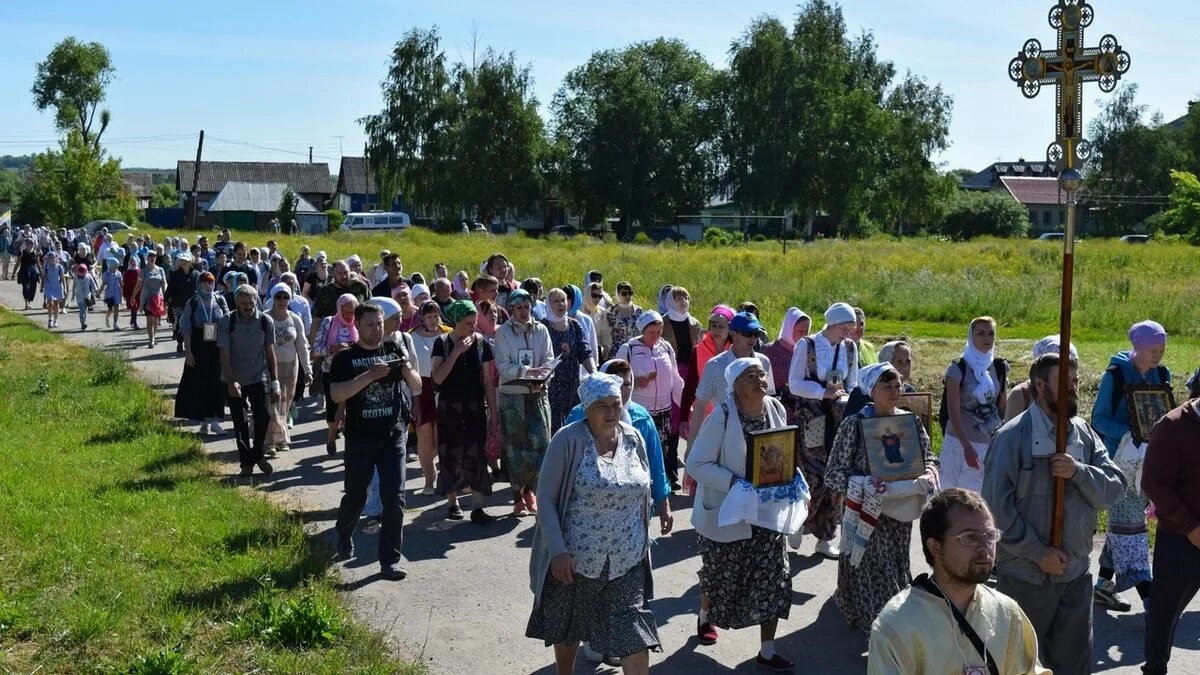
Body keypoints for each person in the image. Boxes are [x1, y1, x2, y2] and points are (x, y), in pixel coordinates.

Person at [982, 352, 1126, 675]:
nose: (1074, 389)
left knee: (1074, 666)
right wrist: (1038, 553)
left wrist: (1078, 472)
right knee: (1018, 665)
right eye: (1066, 383)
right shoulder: (1010, 438)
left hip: (1075, 577)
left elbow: (1115, 486)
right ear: (1040, 386)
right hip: (1024, 578)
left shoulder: (1083, 435)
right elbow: (994, 512)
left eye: (1075, 382)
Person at [526, 373, 660, 675]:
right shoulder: (568, 440)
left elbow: (644, 490)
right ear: (587, 408)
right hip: (576, 558)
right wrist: (558, 551)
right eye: (602, 406)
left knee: (634, 636)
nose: (612, 412)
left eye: (616, 403)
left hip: (627, 559)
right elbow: (545, 498)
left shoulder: (633, 438)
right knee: (570, 626)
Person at [686, 357, 806, 671]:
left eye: (761, 373)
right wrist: (735, 484)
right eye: (750, 375)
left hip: (767, 513)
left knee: (774, 580)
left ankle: (767, 650)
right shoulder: (723, 416)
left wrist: (789, 476)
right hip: (728, 513)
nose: (759, 379)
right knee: (719, 576)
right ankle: (704, 615)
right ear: (735, 385)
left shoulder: (776, 409)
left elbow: (782, 450)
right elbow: (696, 464)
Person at [868, 488, 1049, 675]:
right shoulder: (896, 625)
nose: (984, 548)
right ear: (935, 547)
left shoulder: (1007, 612)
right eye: (970, 537)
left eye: (990, 536)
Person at [826, 363, 937, 634]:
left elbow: (929, 457)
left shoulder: (909, 422)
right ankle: (879, 631)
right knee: (870, 570)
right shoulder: (855, 424)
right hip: (867, 514)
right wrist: (864, 484)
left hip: (900, 512)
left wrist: (931, 472)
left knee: (895, 566)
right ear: (871, 390)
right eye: (887, 385)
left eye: (898, 385)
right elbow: (833, 473)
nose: (895, 390)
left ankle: (890, 626)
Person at [328, 303, 421, 581]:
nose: (376, 329)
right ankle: (344, 532)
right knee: (356, 495)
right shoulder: (346, 358)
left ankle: (389, 561)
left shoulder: (393, 350)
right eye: (370, 324)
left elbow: (416, 386)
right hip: (360, 439)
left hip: (392, 435)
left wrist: (405, 368)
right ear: (357, 325)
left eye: (379, 324)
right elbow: (337, 395)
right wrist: (369, 376)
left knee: (395, 498)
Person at [1089, 320, 1170, 614]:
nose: (1158, 356)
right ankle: (1152, 603)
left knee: (1122, 527)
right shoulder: (1115, 374)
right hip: (1119, 464)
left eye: (1162, 350)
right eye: (1152, 350)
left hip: (1148, 464)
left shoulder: (1162, 374)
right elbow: (1098, 419)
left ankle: (1102, 589)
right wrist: (1130, 434)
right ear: (1137, 347)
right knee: (1131, 528)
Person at [786, 301, 860, 558]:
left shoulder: (850, 348)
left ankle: (826, 536)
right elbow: (794, 384)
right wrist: (822, 392)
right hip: (812, 416)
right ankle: (798, 521)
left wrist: (846, 398)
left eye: (850, 328)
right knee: (811, 473)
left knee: (836, 476)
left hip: (838, 417)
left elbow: (853, 383)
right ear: (832, 323)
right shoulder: (806, 345)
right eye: (844, 327)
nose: (848, 333)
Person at [1141, 398, 1200, 675]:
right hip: (1181, 541)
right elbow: (1153, 483)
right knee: (1163, 616)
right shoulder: (1173, 426)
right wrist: (1190, 527)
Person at [431, 300, 498, 523]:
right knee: (450, 453)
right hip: (449, 407)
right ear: (457, 322)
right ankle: (453, 502)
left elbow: (488, 381)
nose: (473, 327)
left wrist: (493, 412)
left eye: (475, 322)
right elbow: (437, 378)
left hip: (474, 407)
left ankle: (477, 507)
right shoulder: (442, 343)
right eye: (468, 323)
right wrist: (457, 351)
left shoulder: (481, 344)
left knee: (476, 454)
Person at [494, 289, 555, 515]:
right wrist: (527, 373)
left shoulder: (541, 329)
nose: (523, 311)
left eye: (526, 307)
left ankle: (531, 490)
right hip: (513, 396)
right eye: (518, 308)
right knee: (516, 447)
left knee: (541, 443)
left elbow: (549, 359)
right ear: (511, 309)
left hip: (538, 394)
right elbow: (502, 366)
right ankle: (517, 495)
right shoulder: (503, 332)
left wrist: (543, 376)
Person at [615, 311, 684, 491]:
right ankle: (638, 486)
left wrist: (684, 406)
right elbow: (614, 377)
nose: (655, 336)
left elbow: (675, 378)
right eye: (651, 332)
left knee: (660, 452)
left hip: (664, 410)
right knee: (638, 450)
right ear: (642, 330)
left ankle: (659, 489)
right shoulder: (629, 348)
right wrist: (636, 382)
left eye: (658, 332)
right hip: (639, 410)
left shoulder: (666, 348)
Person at [218, 285, 281, 477]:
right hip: (234, 378)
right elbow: (224, 354)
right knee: (240, 422)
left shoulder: (264, 321)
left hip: (258, 376)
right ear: (236, 302)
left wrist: (275, 382)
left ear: (256, 301)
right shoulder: (227, 321)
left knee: (263, 416)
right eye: (243, 303)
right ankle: (246, 463)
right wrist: (230, 381)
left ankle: (257, 453)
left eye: (251, 303)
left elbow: (270, 353)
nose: (248, 307)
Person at [941, 317, 1008, 492]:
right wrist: (966, 447)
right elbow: (953, 411)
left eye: (991, 333)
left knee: (978, 494)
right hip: (958, 441)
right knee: (951, 493)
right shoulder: (958, 367)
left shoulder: (999, 367)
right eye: (980, 333)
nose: (987, 338)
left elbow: (1002, 407)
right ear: (971, 336)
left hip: (986, 441)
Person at [689, 312, 775, 434]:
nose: (753, 338)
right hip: (725, 433)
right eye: (747, 333)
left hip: (758, 433)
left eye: (756, 333)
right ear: (734, 334)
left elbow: (769, 398)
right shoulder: (715, 365)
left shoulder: (764, 362)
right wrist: (692, 446)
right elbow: (700, 405)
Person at [176, 272, 230, 435]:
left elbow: (227, 321)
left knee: (217, 382)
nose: (208, 286)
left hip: (217, 345)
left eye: (211, 283)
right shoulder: (192, 303)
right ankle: (203, 421)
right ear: (199, 284)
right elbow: (187, 329)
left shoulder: (219, 300)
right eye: (205, 283)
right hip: (199, 346)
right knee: (200, 382)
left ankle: (215, 420)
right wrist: (188, 352)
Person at [410, 300, 452, 495]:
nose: (433, 320)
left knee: (441, 436)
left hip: (443, 386)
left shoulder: (448, 334)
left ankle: (444, 473)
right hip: (421, 388)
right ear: (422, 318)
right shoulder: (411, 336)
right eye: (428, 316)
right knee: (424, 435)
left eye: (436, 315)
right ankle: (429, 478)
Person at [264, 284, 311, 455]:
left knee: (285, 403)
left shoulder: (295, 319)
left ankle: (280, 439)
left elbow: (302, 345)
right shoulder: (265, 318)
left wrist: (308, 370)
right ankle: (269, 441)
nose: (282, 300)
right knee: (272, 403)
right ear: (273, 298)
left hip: (291, 365)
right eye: (279, 297)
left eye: (286, 297)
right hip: (270, 366)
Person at [541, 288, 596, 432]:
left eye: (563, 300)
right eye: (556, 301)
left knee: (573, 425)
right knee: (552, 426)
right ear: (548, 304)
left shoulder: (575, 325)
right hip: (551, 385)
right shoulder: (542, 326)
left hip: (572, 384)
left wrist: (594, 374)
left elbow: (585, 352)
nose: (561, 304)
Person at [679, 305, 733, 444]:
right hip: (704, 417)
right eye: (713, 325)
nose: (716, 330)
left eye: (721, 326)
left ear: (730, 328)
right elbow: (690, 386)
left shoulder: (737, 351)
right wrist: (684, 418)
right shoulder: (698, 350)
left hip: (732, 418)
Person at [313, 294, 359, 455]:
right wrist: (333, 349)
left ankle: (351, 447)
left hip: (354, 373)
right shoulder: (329, 322)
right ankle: (332, 435)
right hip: (331, 372)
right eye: (345, 312)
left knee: (353, 410)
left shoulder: (360, 323)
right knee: (333, 409)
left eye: (352, 312)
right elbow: (316, 349)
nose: (348, 316)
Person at [133, 251, 168, 348]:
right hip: (147, 298)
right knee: (149, 319)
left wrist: (166, 296)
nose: (152, 258)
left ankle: (154, 336)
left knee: (156, 320)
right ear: (147, 258)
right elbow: (138, 285)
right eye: (150, 256)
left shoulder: (160, 270)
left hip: (158, 298)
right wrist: (133, 297)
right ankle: (151, 339)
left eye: (154, 256)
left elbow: (164, 283)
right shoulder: (143, 271)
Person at [166, 252, 198, 352]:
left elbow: (200, 288)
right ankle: (180, 341)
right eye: (182, 260)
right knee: (181, 323)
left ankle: (189, 345)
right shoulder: (175, 274)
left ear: (190, 262)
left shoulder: (196, 274)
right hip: (178, 304)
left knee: (191, 325)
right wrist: (166, 299)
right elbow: (170, 288)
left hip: (192, 304)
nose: (184, 262)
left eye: (186, 260)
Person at [605, 281, 642, 355]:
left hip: (635, 350)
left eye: (630, 293)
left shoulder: (639, 310)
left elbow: (642, 331)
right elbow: (606, 332)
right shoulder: (611, 312)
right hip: (617, 351)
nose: (628, 296)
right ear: (618, 294)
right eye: (624, 294)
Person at [41, 249, 66, 328]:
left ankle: (56, 320)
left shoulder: (59, 267)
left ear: (56, 258)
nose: (52, 259)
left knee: (56, 303)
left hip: (57, 287)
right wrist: (42, 287)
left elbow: (62, 278)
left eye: (54, 257)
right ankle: (50, 319)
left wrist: (65, 287)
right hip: (49, 287)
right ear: (48, 259)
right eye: (50, 257)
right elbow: (44, 277)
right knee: (50, 303)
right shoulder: (46, 267)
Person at [70, 263, 98, 330]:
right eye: (80, 272)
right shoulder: (76, 277)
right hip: (79, 296)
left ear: (86, 271)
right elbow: (74, 286)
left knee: (85, 310)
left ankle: (83, 321)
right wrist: (73, 295)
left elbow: (93, 284)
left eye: (83, 272)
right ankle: (82, 323)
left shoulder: (88, 276)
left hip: (87, 295)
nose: (81, 274)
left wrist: (96, 291)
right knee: (82, 310)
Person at [99, 257, 123, 330]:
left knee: (116, 309)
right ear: (111, 265)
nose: (117, 267)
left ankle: (115, 324)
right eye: (116, 265)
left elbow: (121, 283)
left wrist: (124, 291)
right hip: (109, 294)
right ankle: (107, 317)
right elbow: (103, 284)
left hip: (117, 293)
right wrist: (99, 292)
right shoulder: (106, 274)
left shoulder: (119, 273)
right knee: (110, 309)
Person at [16, 238, 40, 311]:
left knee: (33, 287)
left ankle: (29, 301)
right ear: (26, 244)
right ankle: (26, 303)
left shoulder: (35, 253)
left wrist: (42, 274)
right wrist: (14, 273)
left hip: (33, 272)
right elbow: (18, 263)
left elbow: (38, 264)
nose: (32, 244)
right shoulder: (21, 252)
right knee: (25, 287)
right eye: (30, 243)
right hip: (24, 271)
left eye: (33, 243)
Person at [121, 253, 142, 329]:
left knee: (136, 307)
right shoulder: (127, 272)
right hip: (130, 292)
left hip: (138, 292)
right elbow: (125, 283)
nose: (133, 263)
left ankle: (132, 320)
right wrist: (124, 293)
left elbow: (141, 282)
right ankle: (135, 323)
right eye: (131, 261)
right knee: (134, 306)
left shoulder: (139, 271)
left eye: (134, 261)